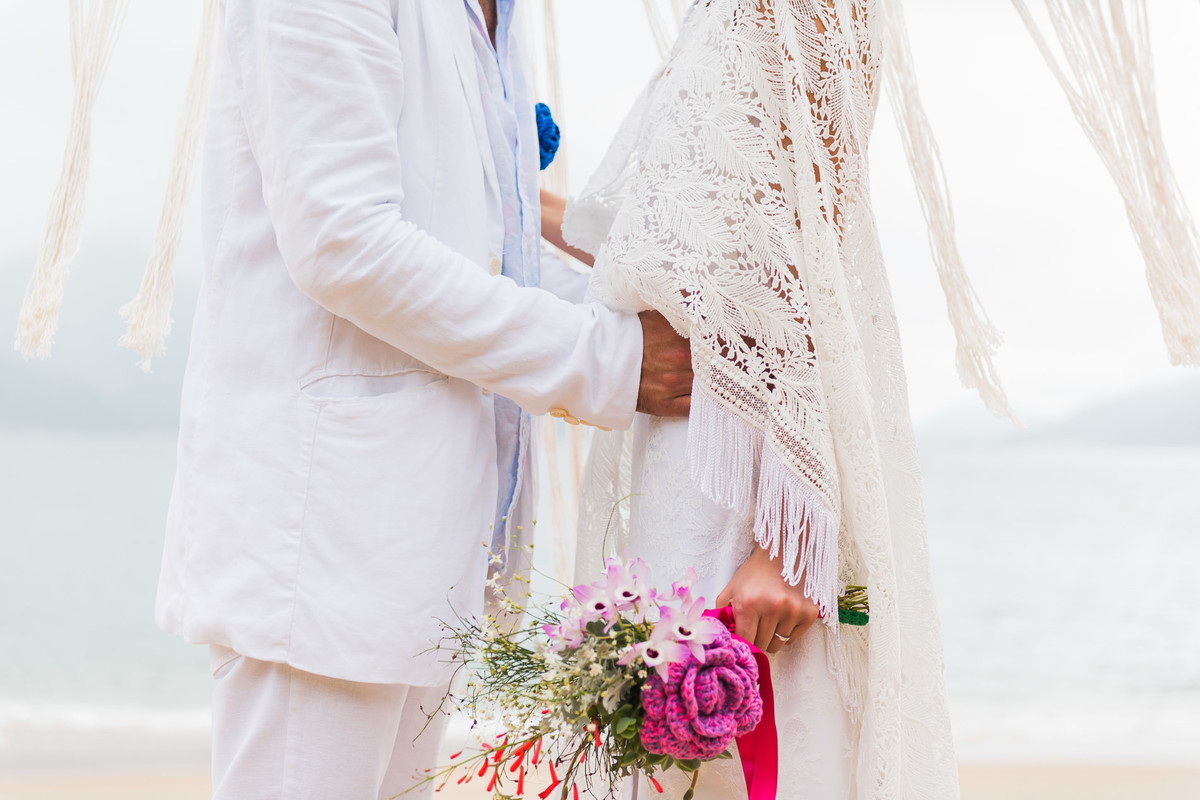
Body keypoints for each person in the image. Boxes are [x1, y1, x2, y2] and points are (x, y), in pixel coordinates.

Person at [151, 2, 692, 798]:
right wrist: (611, 360)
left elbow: (486, 251)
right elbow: (345, 243)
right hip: (322, 550)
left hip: (427, 555)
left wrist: (669, 330)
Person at [549, 0, 988, 797]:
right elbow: (679, 248)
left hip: (750, 475)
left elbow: (810, 252)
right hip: (679, 453)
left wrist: (786, 542)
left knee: (765, 754)